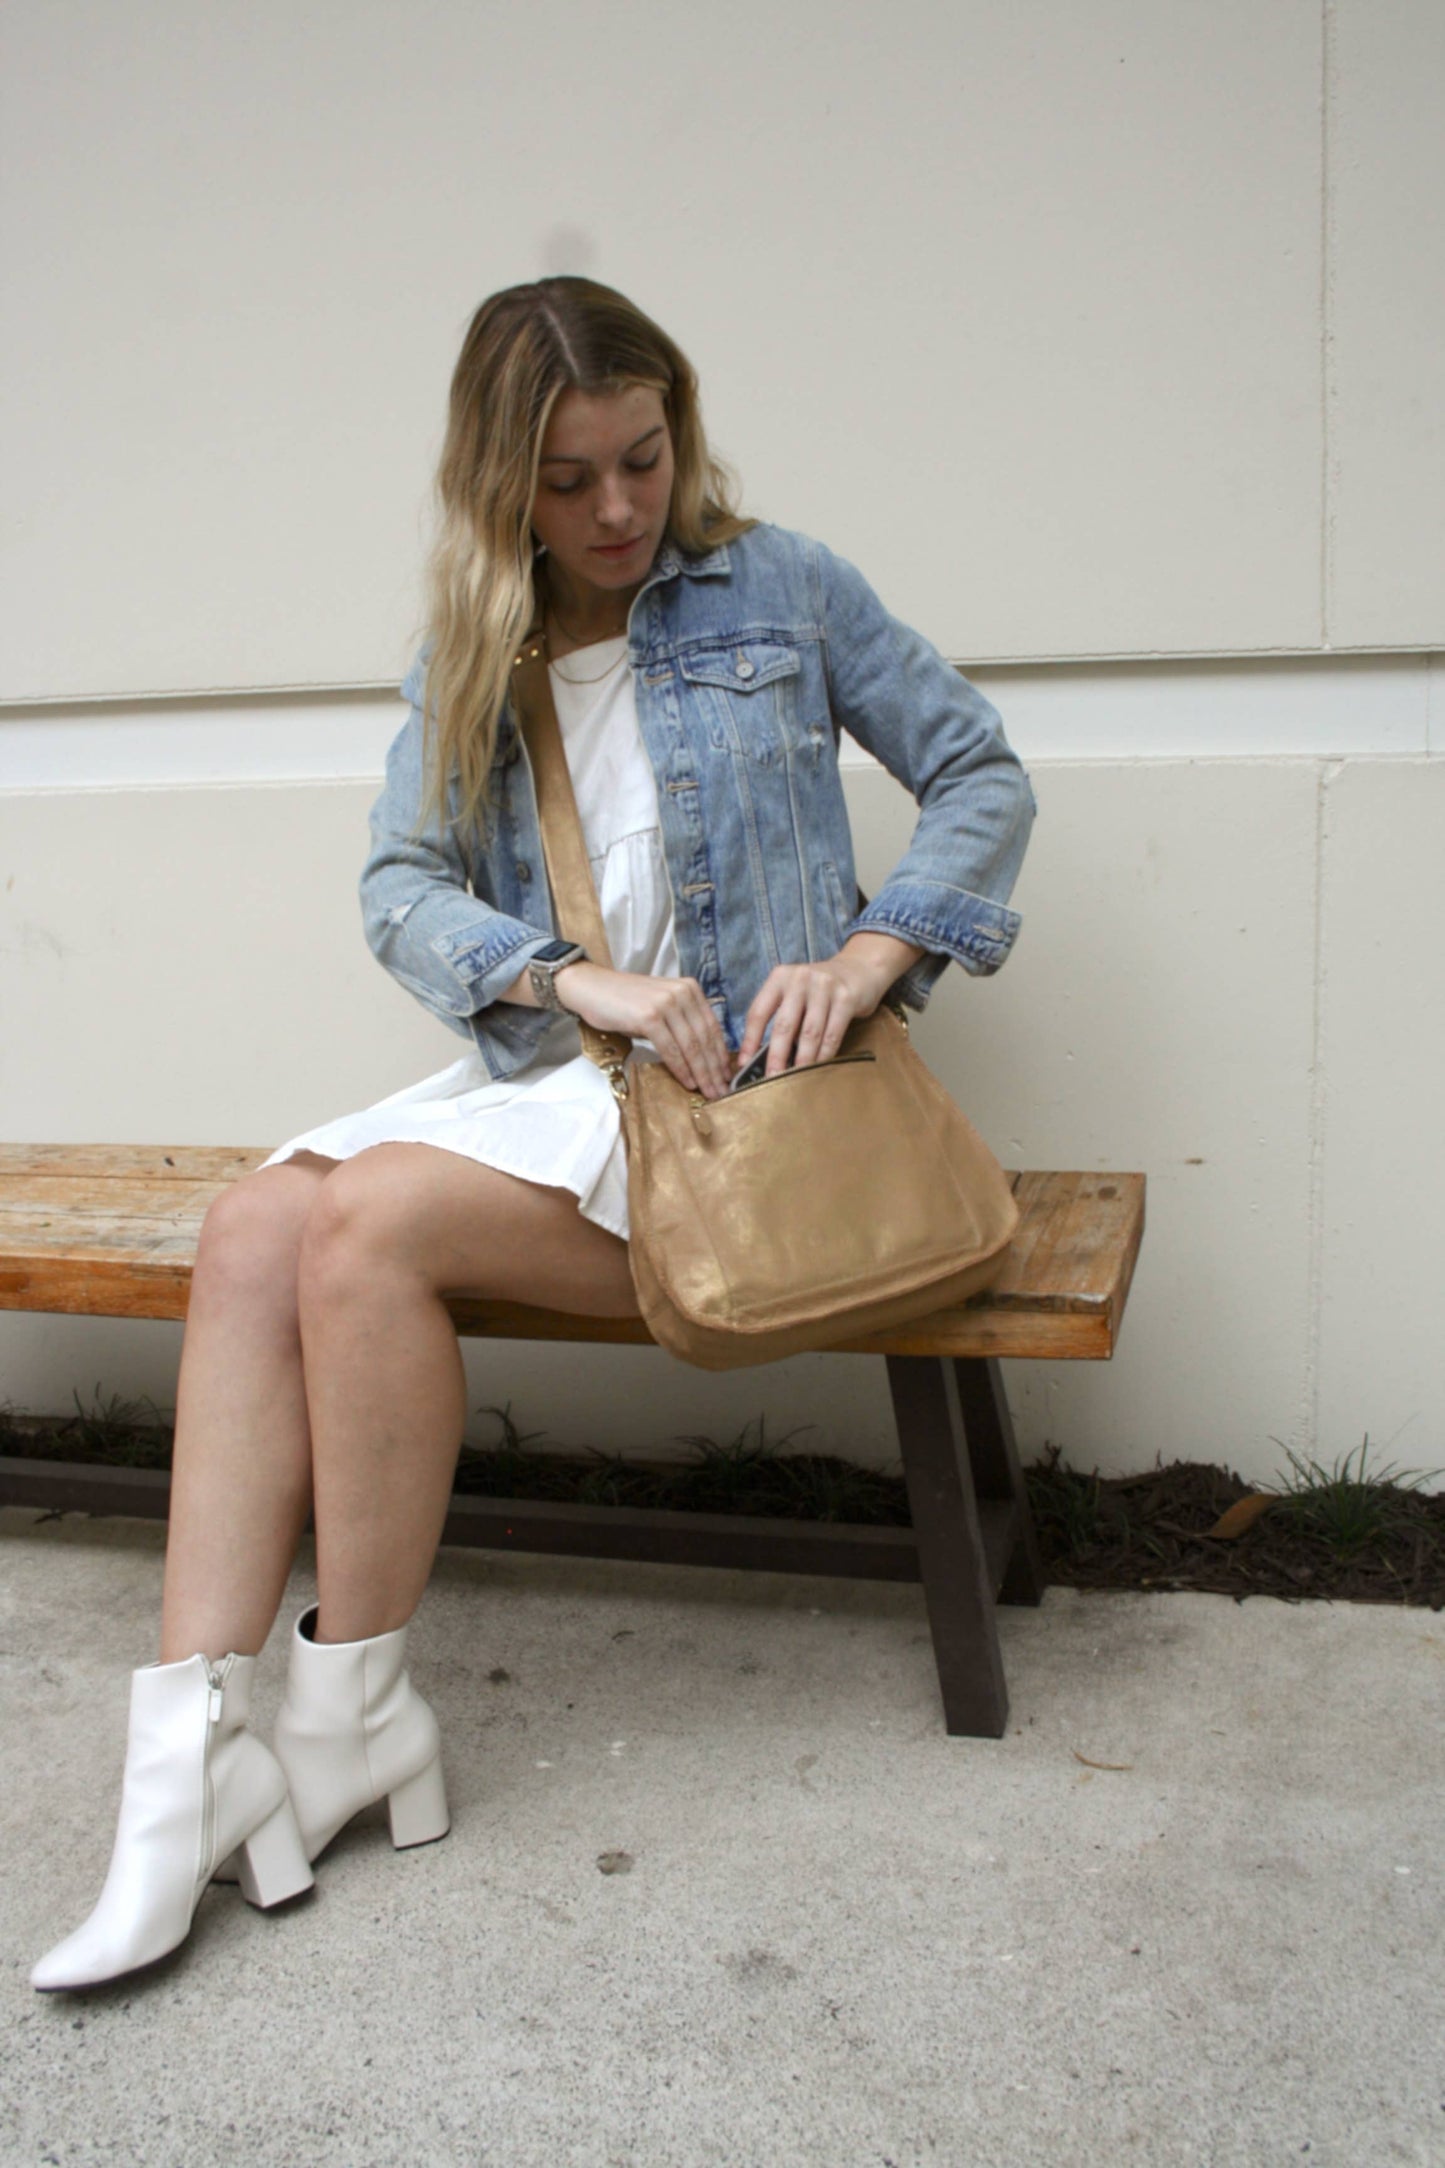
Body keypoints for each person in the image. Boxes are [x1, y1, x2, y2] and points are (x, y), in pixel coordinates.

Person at [31, 277, 1034, 1991]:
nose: (619, 507)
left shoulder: (785, 587)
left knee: (366, 1223)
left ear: (676, 430)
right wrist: (575, 979)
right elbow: (396, 886)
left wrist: (872, 955)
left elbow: (979, 772)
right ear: (504, 481)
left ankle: (355, 1710)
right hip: (574, 1086)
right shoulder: (475, 649)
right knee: (253, 1224)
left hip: (747, 1116)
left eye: (642, 457)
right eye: (569, 480)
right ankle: (193, 1766)